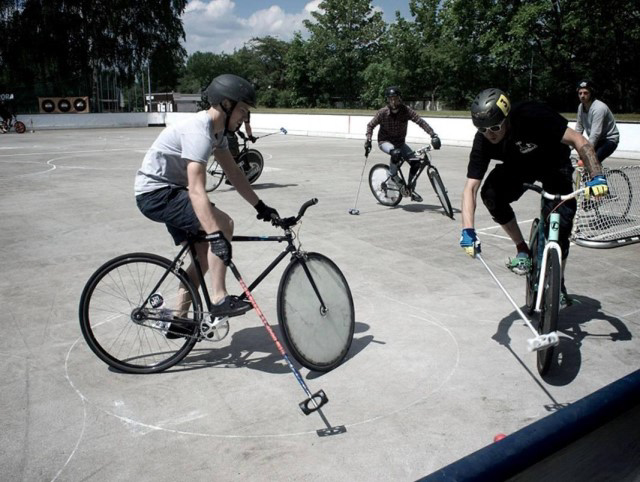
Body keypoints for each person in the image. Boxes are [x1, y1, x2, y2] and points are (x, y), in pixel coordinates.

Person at [135, 74, 280, 337]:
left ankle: (179, 320)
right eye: (243, 110)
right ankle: (218, 299)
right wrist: (216, 233)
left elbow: (234, 174)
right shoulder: (199, 131)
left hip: (168, 190)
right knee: (223, 224)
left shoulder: (217, 134)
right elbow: (196, 189)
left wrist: (260, 206)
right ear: (226, 104)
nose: (244, 118)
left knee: (203, 256)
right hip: (157, 193)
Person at [459, 88, 608, 305]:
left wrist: (596, 176)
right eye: (482, 129)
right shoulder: (483, 140)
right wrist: (468, 230)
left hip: (554, 166)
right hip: (518, 168)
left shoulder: (532, 115)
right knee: (490, 194)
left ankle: (559, 281)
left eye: (495, 127)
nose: (490, 134)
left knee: (562, 227)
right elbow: (470, 188)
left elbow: (579, 140)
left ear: (507, 118)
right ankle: (522, 248)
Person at [365, 86, 441, 202]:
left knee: (415, 163)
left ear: (400, 98)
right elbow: (370, 125)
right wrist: (368, 140)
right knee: (395, 153)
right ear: (387, 100)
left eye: (395, 98)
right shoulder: (382, 113)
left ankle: (410, 189)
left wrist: (433, 135)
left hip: (400, 143)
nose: (393, 101)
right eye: (390, 99)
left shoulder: (406, 111)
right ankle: (392, 174)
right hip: (385, 142)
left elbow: (420, 121)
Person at [575, 80, 620, 163]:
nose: (582, 96)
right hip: (597, 140)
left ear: (591, 93)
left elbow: (595, 133)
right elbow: (579, 128)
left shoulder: (599, 108)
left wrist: (587, 152)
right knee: (583, 163)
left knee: (592, 162)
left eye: (585, 93)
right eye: (580, 93)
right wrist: (570, 146)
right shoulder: (580, 107)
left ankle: (599, 176)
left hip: (609, 140)